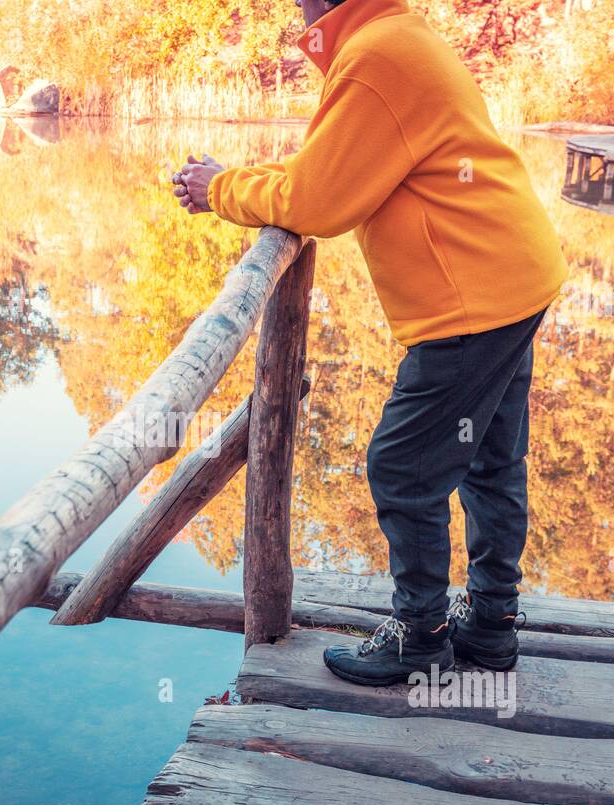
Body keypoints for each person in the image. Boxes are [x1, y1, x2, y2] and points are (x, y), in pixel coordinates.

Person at [171, 0, 567, 685]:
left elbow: (320, 202)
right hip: (511, 276)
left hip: (474, 299)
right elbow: (323, 172)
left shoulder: (375, 56)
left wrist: (220, 189)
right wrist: (246, 179)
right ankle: (492, 626)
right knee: (490, 460)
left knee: (403, 468)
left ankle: (421, 637)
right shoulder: (393, 39)